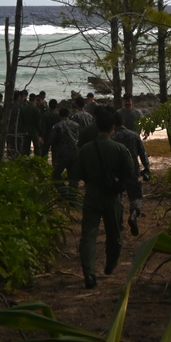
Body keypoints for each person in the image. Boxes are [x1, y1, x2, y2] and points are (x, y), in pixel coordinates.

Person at [77, 106, 134, 289]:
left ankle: (89, 273)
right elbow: (130, 173)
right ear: (112, 128)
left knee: (88, 235)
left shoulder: (85, 149)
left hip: (92, 194)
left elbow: (78, 173)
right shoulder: (119, 148)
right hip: (112, 196)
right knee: (114, 233)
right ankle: (110, 266)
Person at [112, 112, 150, 236]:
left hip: (117, 172)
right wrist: (147, 167)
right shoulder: (133, 135)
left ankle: (119, 223)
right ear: (123, 122)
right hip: (133, 170)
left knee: (118, 198)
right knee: (136, 197)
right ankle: (133, 215)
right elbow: (142, 153)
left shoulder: (112, 138)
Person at [46, 106, 80, 202]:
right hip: (75, 152)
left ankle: (64, 193)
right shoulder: (76, 125)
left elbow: (51, 140)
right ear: (69, 115)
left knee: (56, 175)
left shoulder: (57, 126)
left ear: (60, 115)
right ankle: (73, 198)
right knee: (73, 177)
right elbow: (79, 137)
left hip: (62, 153)